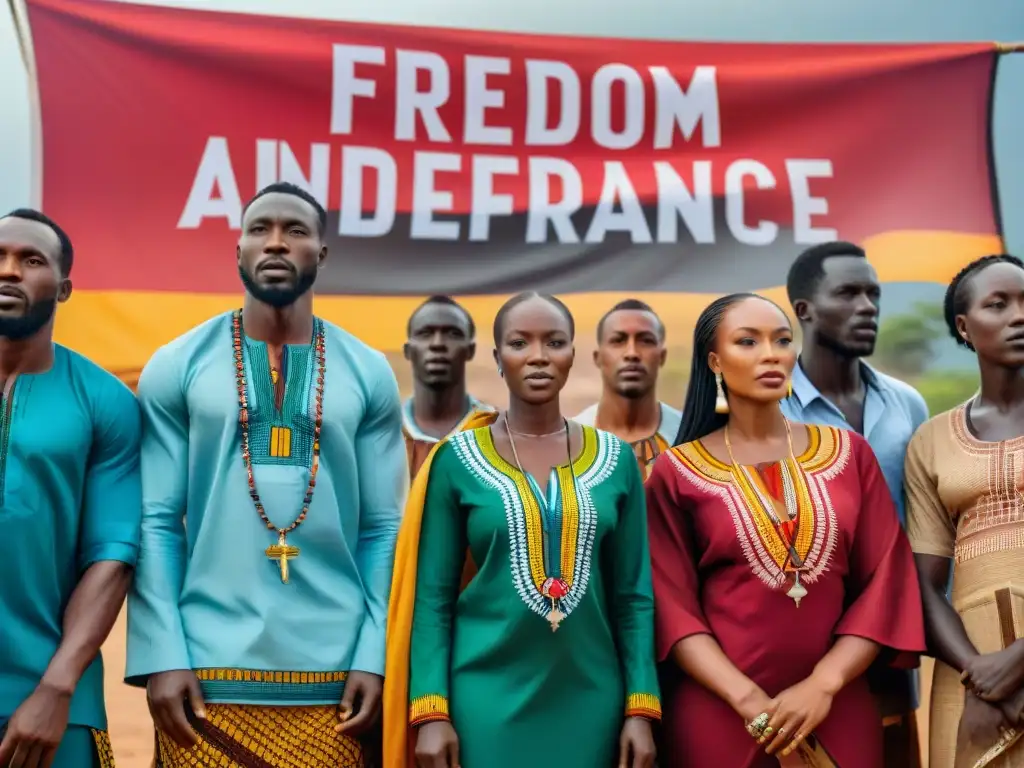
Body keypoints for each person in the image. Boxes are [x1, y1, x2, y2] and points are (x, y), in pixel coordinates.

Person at [125, 183, 406, 768]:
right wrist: (163, 652)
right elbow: (155, 520)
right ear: (239, 251)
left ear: (322, 255)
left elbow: (383, 528)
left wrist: (374, 655)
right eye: (260, 229)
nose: (276, 242)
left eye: (296, 231)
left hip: (337, 679)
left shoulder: (369, 372)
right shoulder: (178, 364)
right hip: (205, 672)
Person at [383, 292, 660, 768]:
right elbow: (432, 599)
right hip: (482, 702)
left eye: (554, 342)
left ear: (573, 353)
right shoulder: (457, 460)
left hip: (593, 702)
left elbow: (633, 597)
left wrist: (641, 707)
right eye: (519, 343)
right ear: (497, 357)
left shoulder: (616, 461)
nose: (537, 356)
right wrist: (431, 713)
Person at [647, 292, 925, 768]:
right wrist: (749, 701)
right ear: (715, 360)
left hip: (835, 705)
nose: (771, 353)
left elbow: (885, 582)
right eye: (748, 342)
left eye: (781, 340)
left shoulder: (849, 454)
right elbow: (671, 608)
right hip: (721, 711)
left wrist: (823, 684)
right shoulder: (676, 472)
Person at [0, 209, 142, 767]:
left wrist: (57, 688)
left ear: (63, 288)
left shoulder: (106, 403)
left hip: (51, 703)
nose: (9, 271)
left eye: (30, 261)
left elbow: (112, 555)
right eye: (0, 258)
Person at [780, 241, 929, 766]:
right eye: (848, 293)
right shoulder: (769, 406)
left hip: (890, 634)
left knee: (892, 753)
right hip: (798, 632)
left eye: (874, 294)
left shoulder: (907, 403)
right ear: (804, 309)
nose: (868, 307)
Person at [905, 254, 1024, 768]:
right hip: (969, 678)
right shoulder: (931, 441)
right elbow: (925, 585)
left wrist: (1016, 665)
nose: (1018, 316)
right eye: (998, 305)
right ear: (964, 326)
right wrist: (979, 674)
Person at [574, 299, 681, 478]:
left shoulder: (691, 438)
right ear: (598, 357)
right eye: (618, 341)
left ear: (661, 357)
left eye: (645, 341)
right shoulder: (568, 443)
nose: (632, 353)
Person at [402, 295, 493, 479]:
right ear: (408, 351)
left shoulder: (497, 430)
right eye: (425, 334)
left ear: (470, 350)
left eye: (453, 334)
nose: (437, 344)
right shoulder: (380, 431)